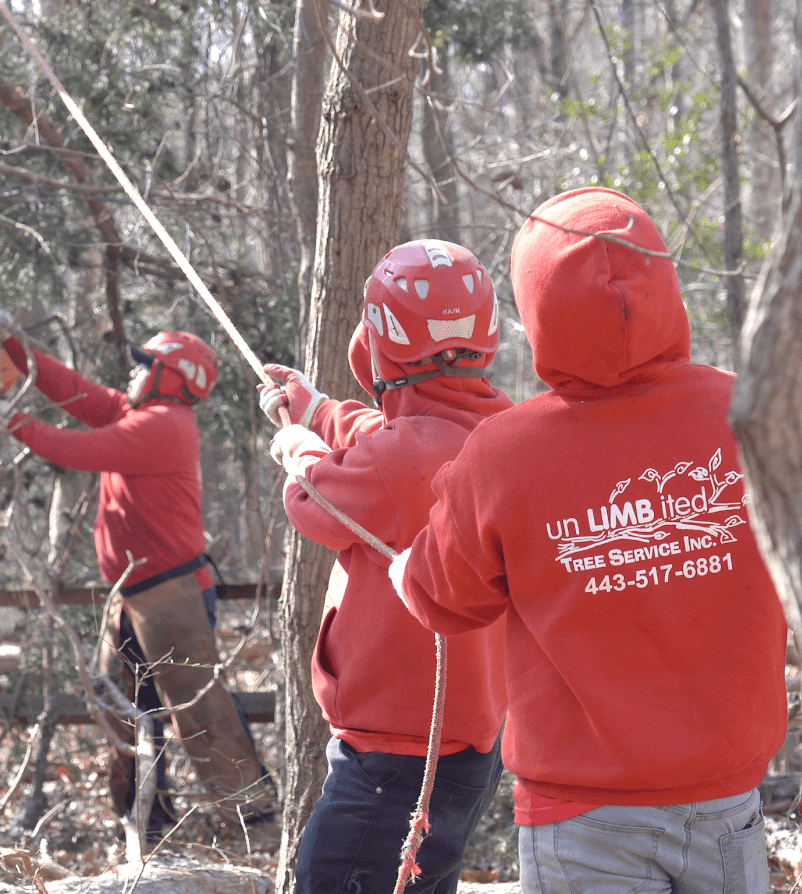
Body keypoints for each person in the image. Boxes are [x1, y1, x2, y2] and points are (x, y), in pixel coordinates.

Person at [389, 188, 788, 894]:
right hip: (726, 799)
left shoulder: (504, 454)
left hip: (582, 817)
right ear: (666, 284)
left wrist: (401, 566)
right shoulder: (751, 413)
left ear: (536, 308)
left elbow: (438, 597)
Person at [262, 239, 513, 893]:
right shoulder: (496, 429)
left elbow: (313, 496)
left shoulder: (401, 462)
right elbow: (390, 433)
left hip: (393, 761)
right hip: (463, 753)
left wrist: (297, 444)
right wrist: (316, 409)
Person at [0, 328, 277, 846]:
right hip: (133, 594)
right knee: (128, 710)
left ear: (170, 376)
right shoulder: (135, 413)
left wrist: (8, 419)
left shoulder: (165, 424)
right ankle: (146, 823)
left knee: (200, 715)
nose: (131, 373)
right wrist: (11, 343)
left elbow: (74, 449)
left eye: (142, 364)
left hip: (172, 595)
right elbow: (73, 391)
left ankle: (255, 825)